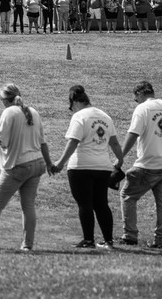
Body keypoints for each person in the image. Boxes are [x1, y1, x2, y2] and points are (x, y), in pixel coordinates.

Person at [0, 84, 54, 251]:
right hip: (37, 163)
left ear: (5, 100)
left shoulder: (9, 112)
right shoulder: (33, 111)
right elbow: (43, 142)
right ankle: (27, 245)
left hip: (18, 165)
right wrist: (48, 163)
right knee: (28, 205)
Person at [50, 85, 123, 248]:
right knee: (101, 204)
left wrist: (60, 163)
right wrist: (120, 160)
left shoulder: (79, 117)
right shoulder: (105, 117)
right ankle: (109, 241)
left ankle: (89, 240)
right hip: (103, 167)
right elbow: (114, 142)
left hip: (81, 166)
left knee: (85, 204)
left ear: (74, 101)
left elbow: (73, 141)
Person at [116, 81, 162, 249]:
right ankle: (160, 240)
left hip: (147, 164)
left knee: (128, 195)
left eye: (136, 98)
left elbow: (133, 134)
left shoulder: (142, 109)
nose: (136, 101)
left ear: (140, 93)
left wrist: (119, 158)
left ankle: (129, 235)